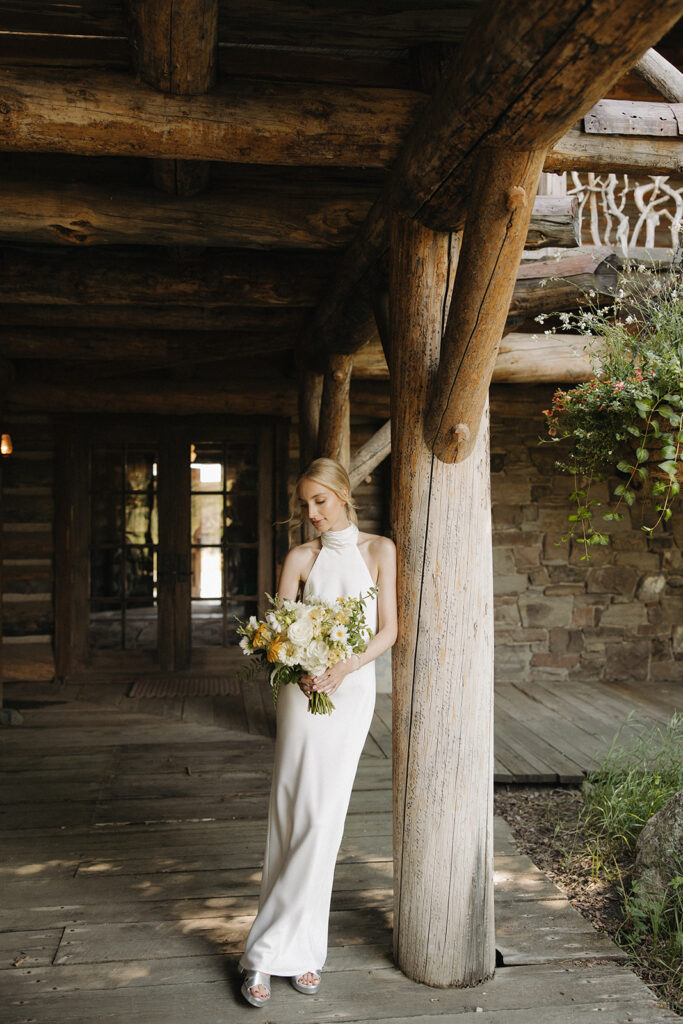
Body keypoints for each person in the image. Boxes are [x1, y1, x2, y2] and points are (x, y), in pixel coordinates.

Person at [238, 456, 398, 1007]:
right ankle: (269, 954)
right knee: (292, 813)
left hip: (350, 693)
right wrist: (301, 663)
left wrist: (346, 666)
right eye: (304, 506)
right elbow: (277, 635)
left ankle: (302, 951)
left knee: (324, 820)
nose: (312, 515)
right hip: (303, 694)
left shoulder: (380, 551)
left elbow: (390, 630)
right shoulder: (299, 558)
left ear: (343, 495)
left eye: (320, 502)